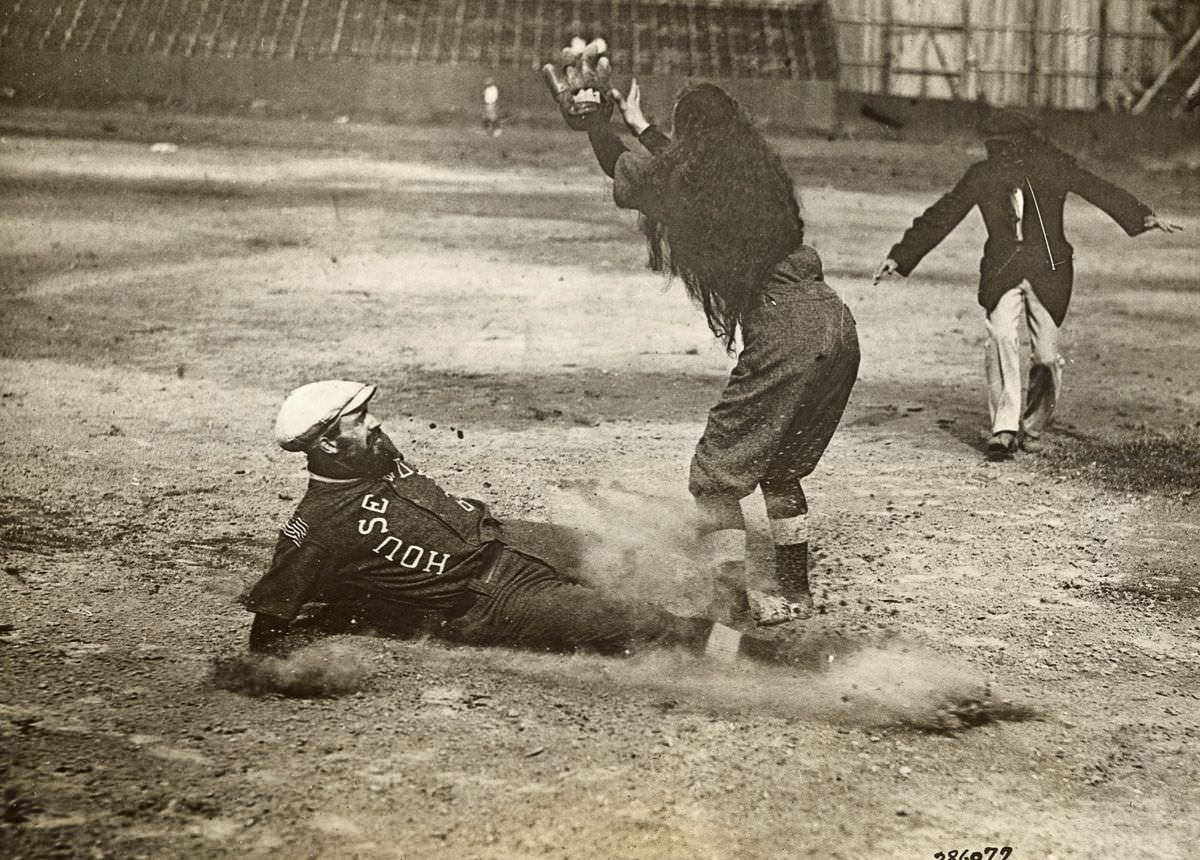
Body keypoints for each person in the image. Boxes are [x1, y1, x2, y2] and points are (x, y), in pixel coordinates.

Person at [543, 41, 860, 627]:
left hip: (785, 327)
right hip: (835, 321)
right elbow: (685, 176)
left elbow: (635, 173)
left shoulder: (694, 183)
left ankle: (729, 602)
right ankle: (795, 589)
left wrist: (600, 128)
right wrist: (643, 126)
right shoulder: (756, 173)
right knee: (782, 466)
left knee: (714, 480)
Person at [241, 379, 835, 670]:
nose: (374, 426)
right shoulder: (316, 529)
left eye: (368, 415)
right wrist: (311, 649)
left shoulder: (371, 452)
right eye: (357, 421)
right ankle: (768, 659)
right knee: (638, 622)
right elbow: (268, 625)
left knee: (630, 558)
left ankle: (738, 607)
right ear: (324, 444)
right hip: (490, 599)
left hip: (511, 537)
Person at [874, 110, 1181, 460]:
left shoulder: (1054, 167)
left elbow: (1097, 189)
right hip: (1002, 271)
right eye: (993, 145)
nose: (997, 152)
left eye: (1004, 145)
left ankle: (1033, 425)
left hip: (1049, 271)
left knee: (1046, 359)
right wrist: (900, 256)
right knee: (1001, 337)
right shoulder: (983, 175)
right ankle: (1003, 428)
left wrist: (1141, 215)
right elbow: (943, 213)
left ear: (1023, 143)